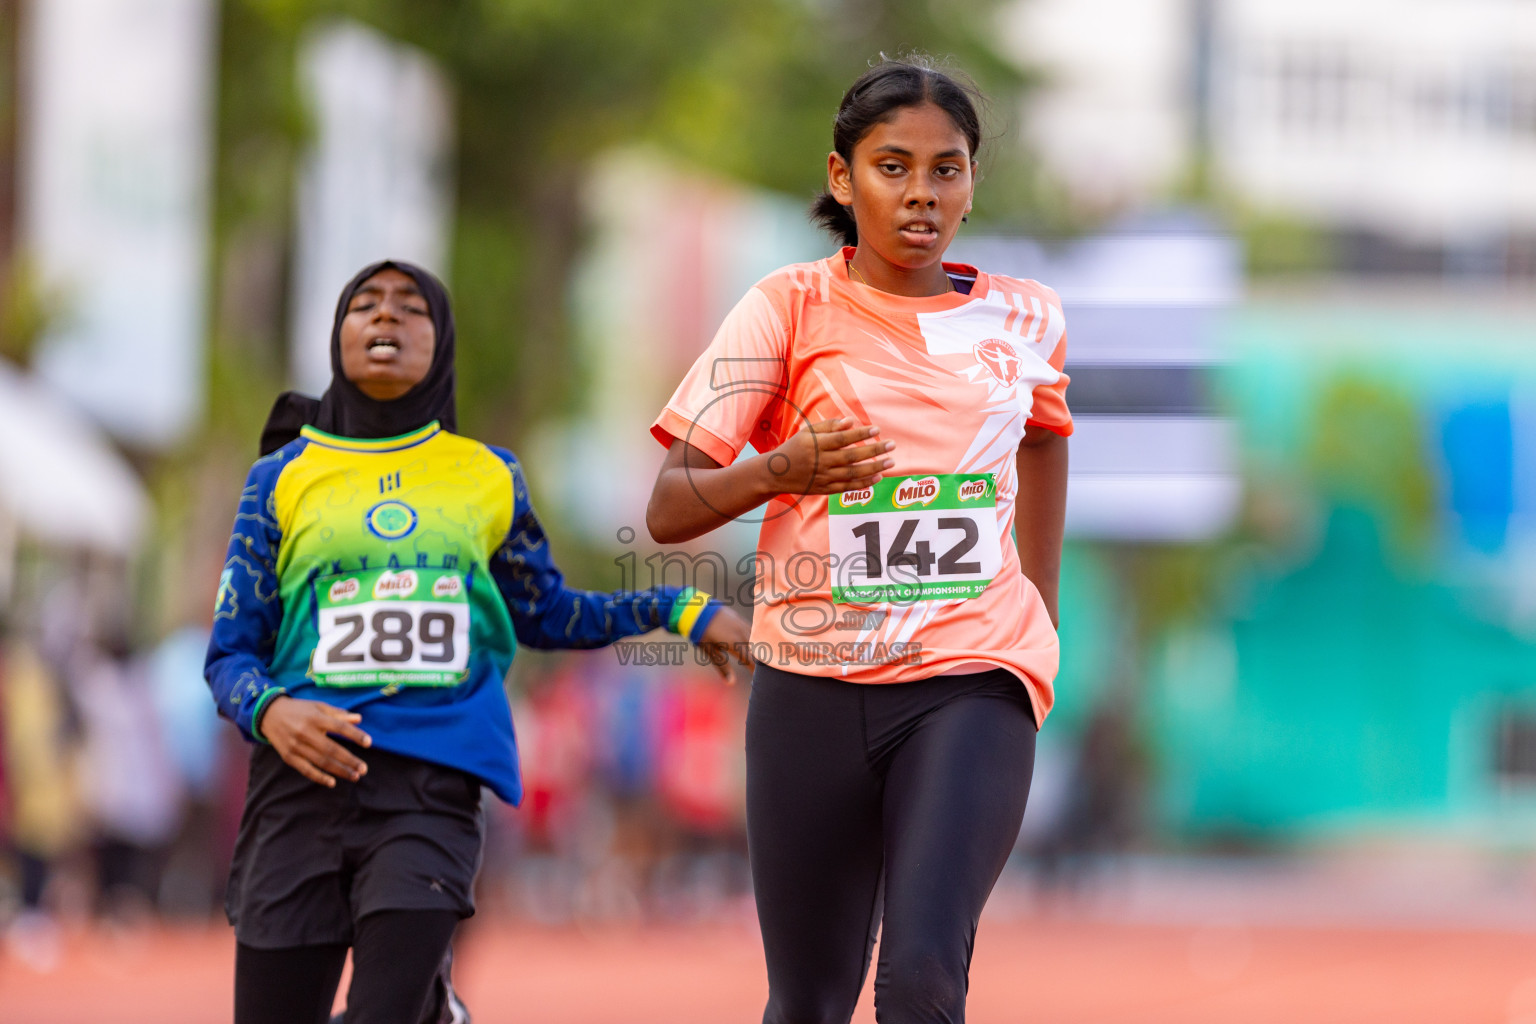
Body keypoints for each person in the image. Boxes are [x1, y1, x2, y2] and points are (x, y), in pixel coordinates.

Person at [207, 259, 749, 1024]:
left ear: (442, 340)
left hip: (430, 788)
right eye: (365, 306)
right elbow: (229, 653)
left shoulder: (488, 477)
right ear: (339, 338)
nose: (386, 319)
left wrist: (679, 607)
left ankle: (421, 1006)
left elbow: (548, 613)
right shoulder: (281, 478)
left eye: (409, 308)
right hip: (299, 790)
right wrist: (270, 711)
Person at [647, 57, 1071, 1024]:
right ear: (843, 179)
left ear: (970, 182)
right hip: (812, 686)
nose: (922, 192)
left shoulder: (1027, 317)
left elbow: (1046, 437)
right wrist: (779, 471)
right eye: (893, 166)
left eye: (947, 168)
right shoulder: (785, 308)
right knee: (806, 1002)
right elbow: (669, 509)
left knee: (922, 981)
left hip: (974, 676)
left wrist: (1038, 613)